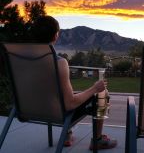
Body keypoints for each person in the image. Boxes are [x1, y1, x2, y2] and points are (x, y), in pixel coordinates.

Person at [31, 15, 117, 150]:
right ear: (55, 36)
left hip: (31, 110)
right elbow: (70, 104)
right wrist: (94, 88)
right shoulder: (59, 62)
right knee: (102, 92)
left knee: (64, 93)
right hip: (57, 114)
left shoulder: (23, 59)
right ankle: (97, 140)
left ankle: (67, 134)